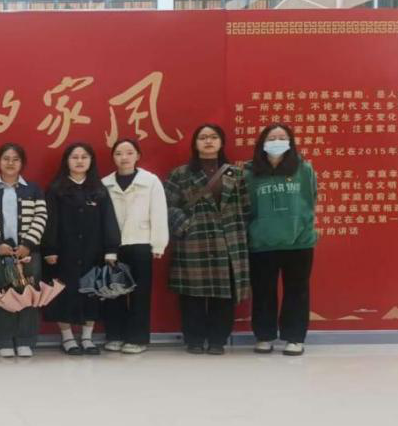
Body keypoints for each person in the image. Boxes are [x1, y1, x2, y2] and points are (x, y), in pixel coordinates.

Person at [165, 124, 250, 355]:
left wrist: (238, 233)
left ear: (221, 142)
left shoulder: (235, 173)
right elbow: (168, 205)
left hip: (227, 242)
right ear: (195, 143)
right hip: (194, 241)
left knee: (223, 295)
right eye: (203, 137)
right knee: (192, 295)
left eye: (213, 137)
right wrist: (186, 226)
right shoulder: (180, 174)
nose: (208, 141)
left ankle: (217, 340)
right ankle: (193, 339)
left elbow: (246, 207)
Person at [245, 123, 317, 356]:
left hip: (299, 242)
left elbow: (311, 200)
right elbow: (246, 207)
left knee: (297, 291)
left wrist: (304, 228)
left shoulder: (304, 169)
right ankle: (264, 336)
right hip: (261, 243)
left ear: (290, 142)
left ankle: (294, 338)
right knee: (263, 291)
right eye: (272, 137)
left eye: (282, 137)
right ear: (262, 143)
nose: (277, 141)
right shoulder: (249, 172)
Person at [41, 142, 120, 355]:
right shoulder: (56, 189)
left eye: (84, 157)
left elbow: (109, 220)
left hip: (93, 252)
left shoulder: (99, 189)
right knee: (63, 294)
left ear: (91, 161)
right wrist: (50, 249)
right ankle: (67, 338)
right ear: (66, 161)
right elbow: (49, 222)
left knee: (91, 293)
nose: (79, 161)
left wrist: (111, 249)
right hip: (63, 252)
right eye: (74, 157)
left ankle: (87, 337)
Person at [101, 138, 169, 355]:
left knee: (140, 294)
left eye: (129, 153)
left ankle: (137, 339)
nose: (124, 157)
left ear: (138, 155)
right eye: (119, 153)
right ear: (113, 157)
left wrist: (158, 244)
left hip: (141, 242)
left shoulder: (150, 181)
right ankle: (115, 335)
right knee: (114, 293)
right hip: (113, 246)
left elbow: (159, 212)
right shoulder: (104, 183)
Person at [0, 143, 48, 358]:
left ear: (22, 163)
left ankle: (25, 340)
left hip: (28, 253)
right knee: (1, 296)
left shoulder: (33, 189)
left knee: (28, 296)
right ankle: (3, 341)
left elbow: (41, 217)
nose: (10, 163)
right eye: (6, 158)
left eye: (15, 159)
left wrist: (28, 244)